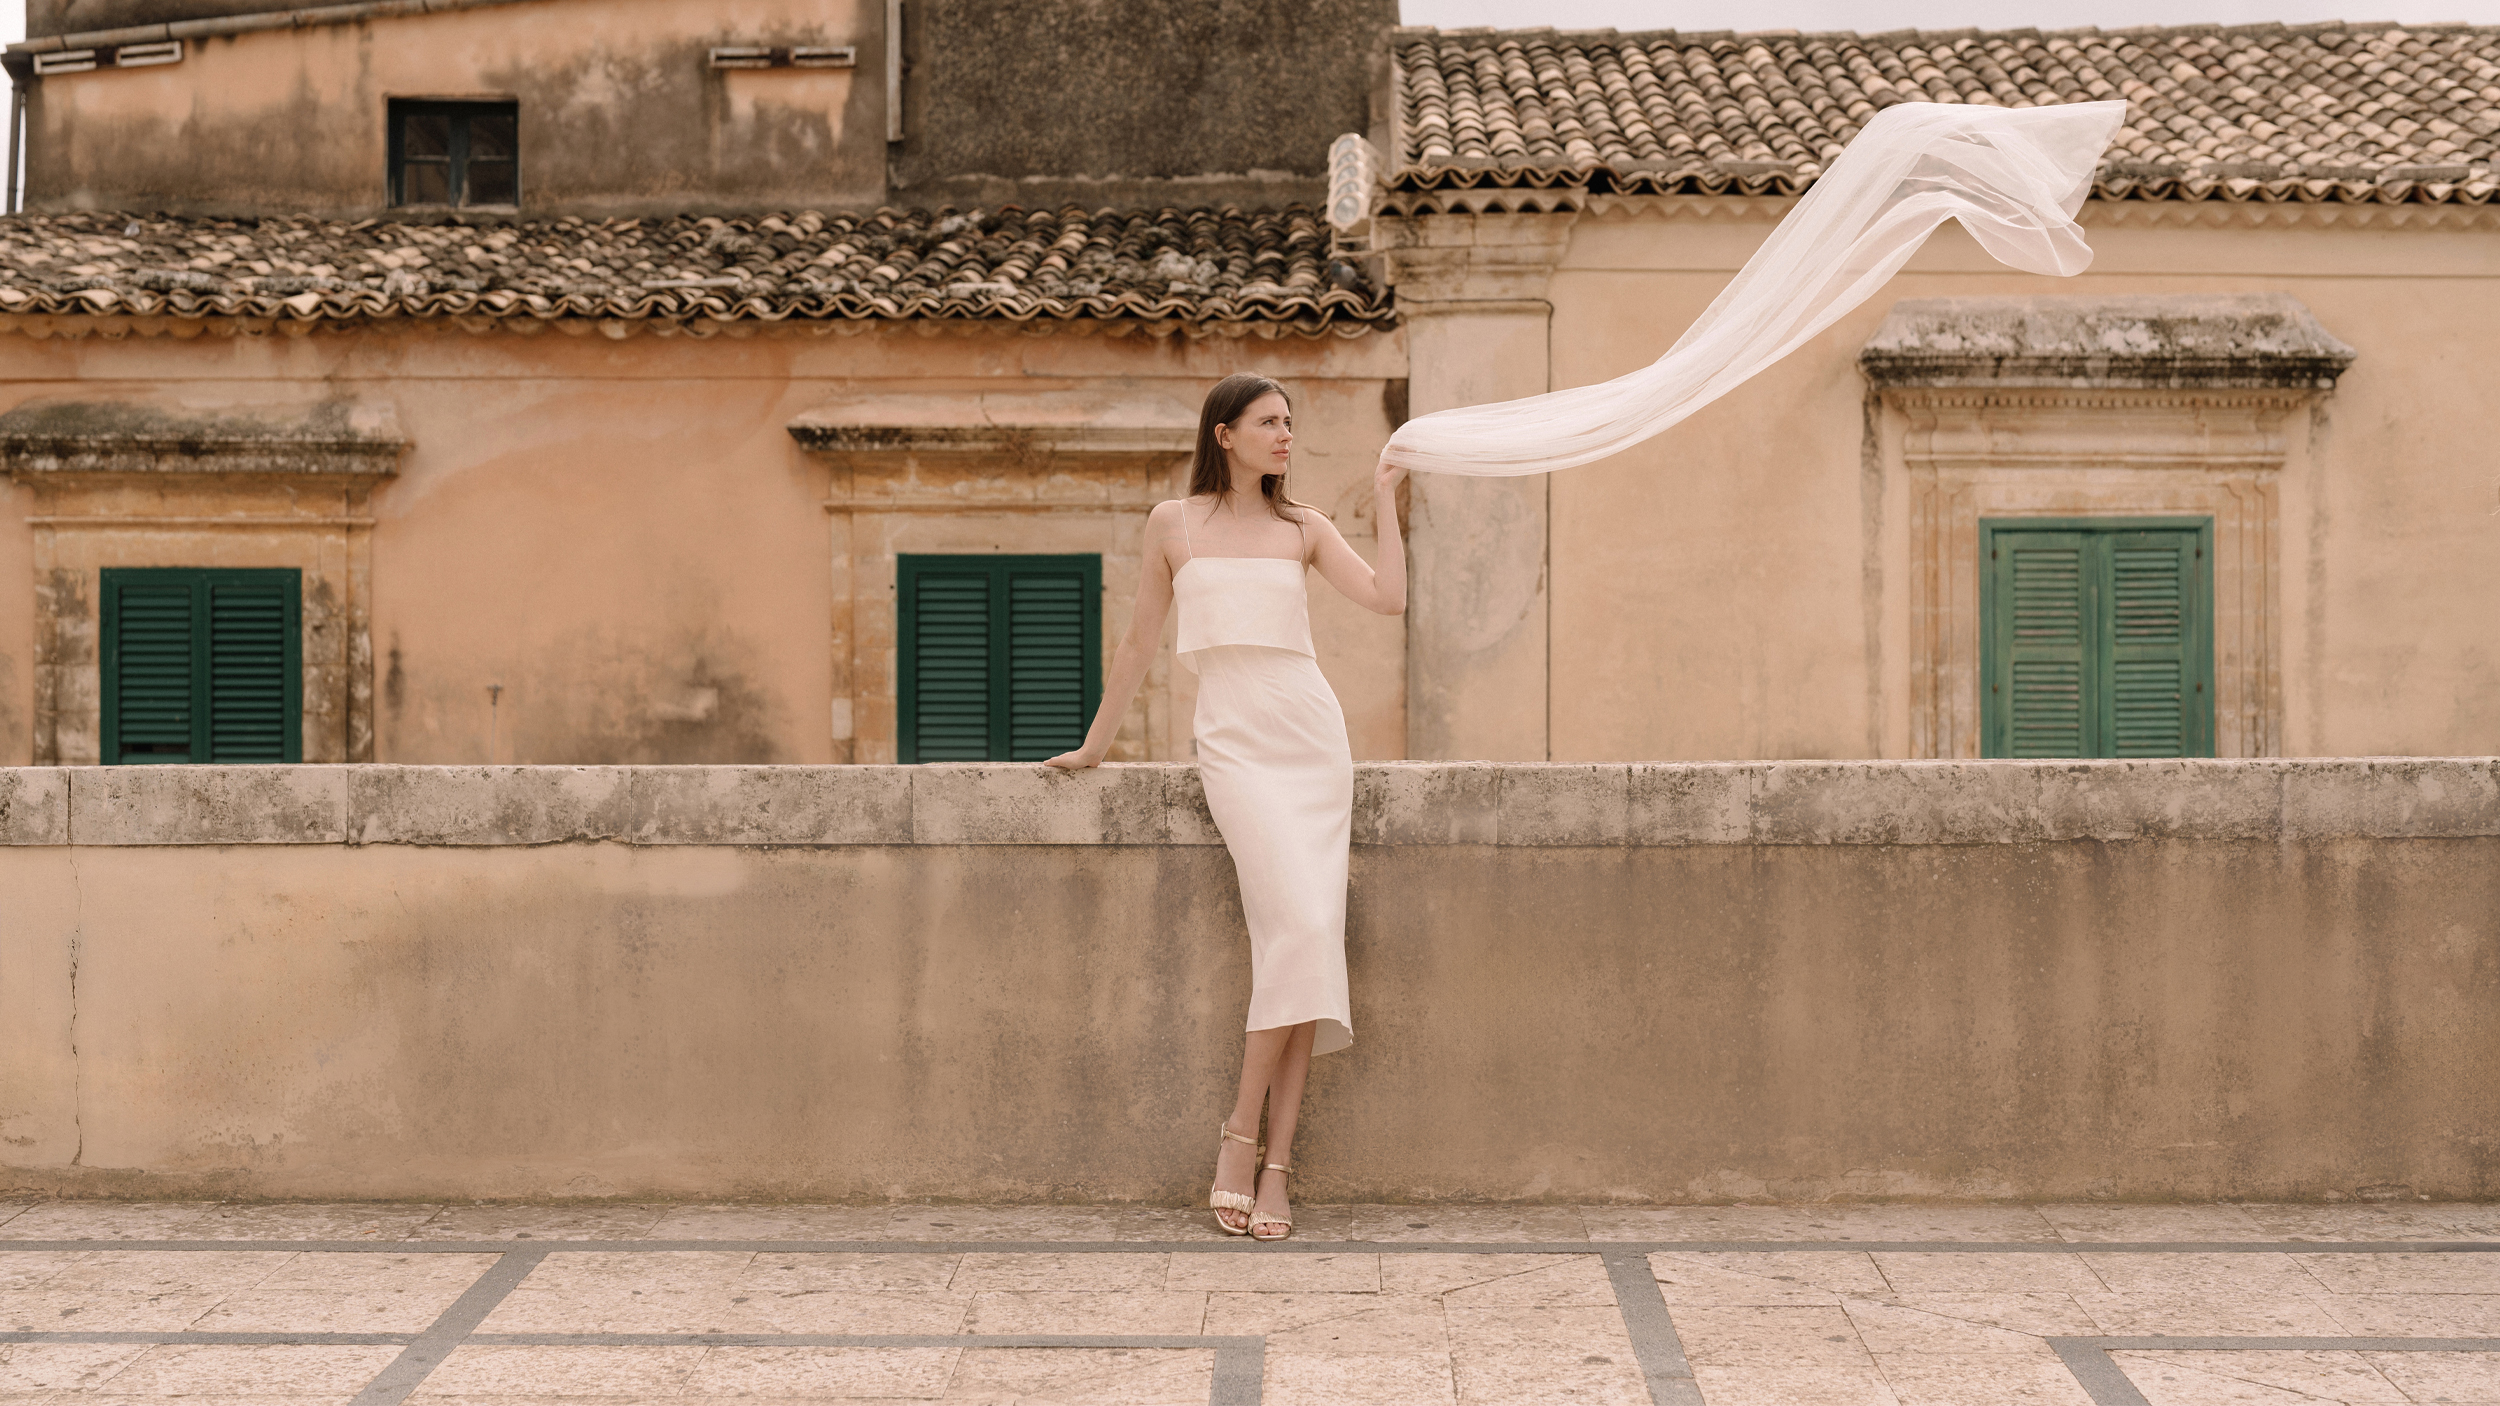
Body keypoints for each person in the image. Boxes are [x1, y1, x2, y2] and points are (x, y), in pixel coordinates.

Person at [1045, 372, 1407, 1241]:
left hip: (1310, 738)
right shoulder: (1173, 523)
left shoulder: (1303, 526)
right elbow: (1139, 640)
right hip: (1235, 741)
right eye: (1269, 421)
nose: (1286, 435)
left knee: (1307, 938)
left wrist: (1387, 500)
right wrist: (1096, 745)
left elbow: (1388, 598)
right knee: (1296, 931)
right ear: (1225, 433)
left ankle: (1265, 1159)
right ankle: (1245, 1140)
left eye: (1290, 422)